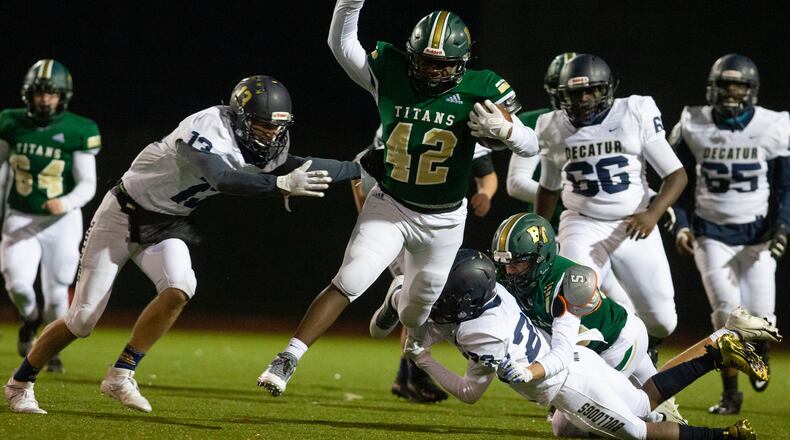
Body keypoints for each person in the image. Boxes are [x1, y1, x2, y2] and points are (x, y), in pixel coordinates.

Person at [4, 75, 362, 414]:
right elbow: (222, 178)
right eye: (261, 126)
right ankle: (20, 384)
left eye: (275, 127)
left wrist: (360, 168)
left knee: (180, 287)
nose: (269, 136)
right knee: (82, 320)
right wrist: (280, 185)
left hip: (166, 221)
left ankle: (121, 373)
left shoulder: (266, 143)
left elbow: (299, 165)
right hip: (123, 213)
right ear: (239, 118)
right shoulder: (208, 125)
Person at [257, 0, 538, 397]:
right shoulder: (391, 73)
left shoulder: (482, 87)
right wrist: (350, 3)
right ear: (410, 56)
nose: (432, 71)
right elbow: (342, 43)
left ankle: (395, 298)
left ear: (463, 61)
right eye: (424, 61)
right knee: (349, 279)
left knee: (415, 312)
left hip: (444, 221)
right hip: (391, 205)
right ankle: (288, 357)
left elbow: (532, 146)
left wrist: (509, 132)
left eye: (442, 64)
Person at [405, 248, 773, 439]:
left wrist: (424, 359)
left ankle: (723, 437)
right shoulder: (498, 296)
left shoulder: (479, 331)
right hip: (580, 355)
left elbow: (472, 388)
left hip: (575, 374)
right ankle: (717, 346)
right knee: (643, 403)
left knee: (639, 431)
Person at [534, 54, 688, 364]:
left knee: (663, 322)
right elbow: (549, 186)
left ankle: (646, 342)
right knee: (573, 297)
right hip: (582, 223)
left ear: (608, 89)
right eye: (575, 93)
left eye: (591, 90)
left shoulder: (634, 112)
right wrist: (540, 229)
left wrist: (653, 213)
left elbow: (677, 174)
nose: (584, 99)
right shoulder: (552, 126)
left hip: (633, 223)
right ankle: (565, 368)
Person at [669, 53, 790, 415]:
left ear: (751, 90)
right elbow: (672, 178)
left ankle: (760, 349)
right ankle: (731, 392)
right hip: (712, 234)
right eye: (725, 85)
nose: (731, 93)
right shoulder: (693, 122)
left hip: (758, 236)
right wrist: (680, 221)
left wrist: (783, 223)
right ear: (713, 88)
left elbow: (786, 185)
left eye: (738, 86)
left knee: (763, 318)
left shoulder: (774, 125)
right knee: (726, 312)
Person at [351, 126, 498, 403]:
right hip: (399, 223)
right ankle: (412, 372)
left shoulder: (459, 125)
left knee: (423, 300)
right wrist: (370, 220)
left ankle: (407, 374)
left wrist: (485, 195)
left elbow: (487, 174)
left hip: (438, 227)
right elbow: (361, 173)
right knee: (419, 299)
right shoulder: (397, 123)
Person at [0, 59, 101, 374]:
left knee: (58, 294)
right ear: (28, 94)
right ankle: (30, 319)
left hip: (62, 221)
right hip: (20, 216)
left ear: (63, 96)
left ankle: (48, 351)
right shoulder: (9, 122)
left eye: (51, 94)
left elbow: (87, 184)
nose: (45, 100)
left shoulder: (80, 129)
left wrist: (66, 202)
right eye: (40, 93)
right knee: (17, 284)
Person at [507, 52, 576, 229]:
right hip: (551, 221)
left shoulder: (609, 122)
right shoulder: (541, 122)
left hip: (607, 219)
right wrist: (571, 196)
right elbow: (516, 183)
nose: (577, 99)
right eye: (565, 92)